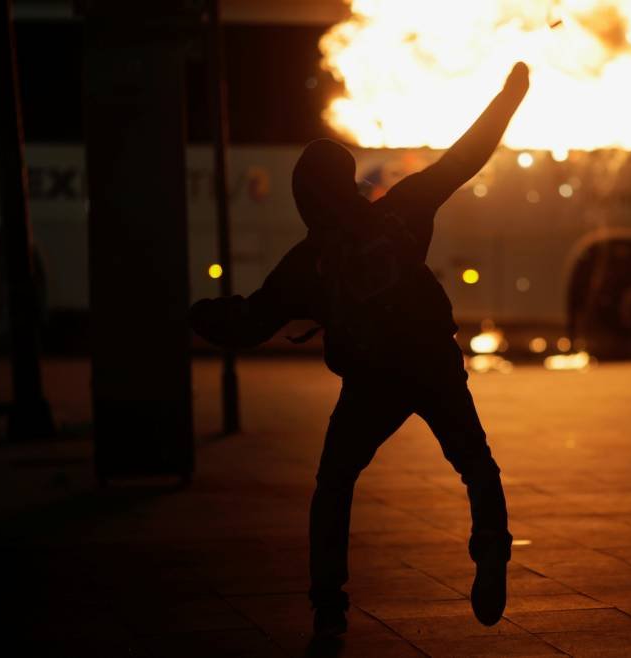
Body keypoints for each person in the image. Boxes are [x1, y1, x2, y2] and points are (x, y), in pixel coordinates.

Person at [189, 62, 530, 637]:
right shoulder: (402, 208)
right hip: (430, 362)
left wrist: (196, 313)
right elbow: (465, 157)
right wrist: (508, 98)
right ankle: (492, 546)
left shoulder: (305, 263)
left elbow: (249, 323)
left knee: (336, 483)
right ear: (346, 183)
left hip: (372, 380)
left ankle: (328, 601)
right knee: (475, 463)